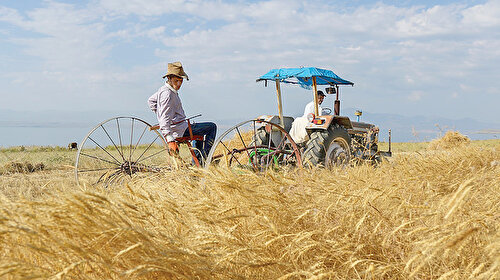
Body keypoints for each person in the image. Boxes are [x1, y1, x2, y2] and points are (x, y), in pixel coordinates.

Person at [148, 61, 216, 164]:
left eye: (181, 81)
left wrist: (163, 114)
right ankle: (203, 160)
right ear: (169, 78)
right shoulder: (168, 94)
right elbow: (164, 117)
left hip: (177, 127)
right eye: (176, 81)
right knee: (212, 127)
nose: (179, 84)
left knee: (199, 134)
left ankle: (196, 163)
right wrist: (170, 139)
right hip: (180, 130)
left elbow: (151, 101)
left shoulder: (163, 90)